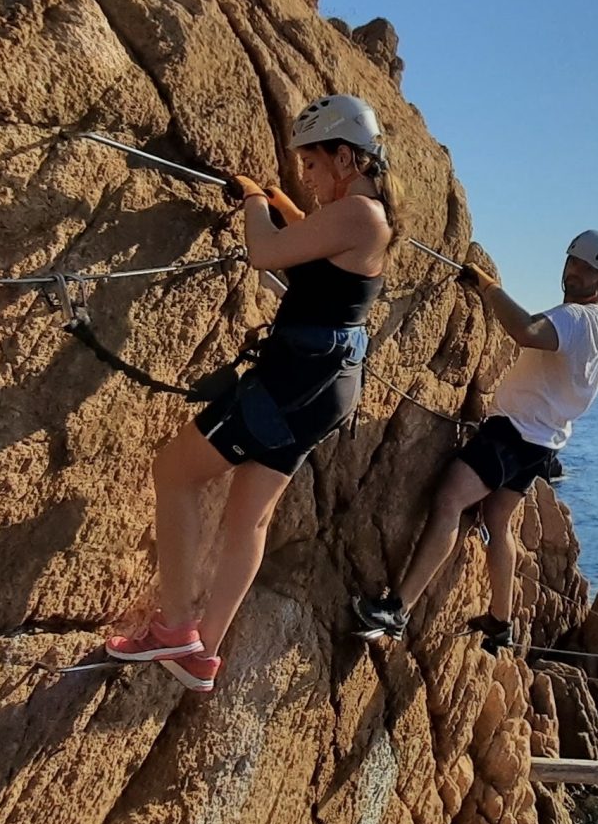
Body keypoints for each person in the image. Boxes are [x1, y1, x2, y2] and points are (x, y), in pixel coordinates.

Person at [105, 95, 396, 693]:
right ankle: (202, 653)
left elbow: (265, 252)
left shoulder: (360, 214)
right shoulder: (362, 214)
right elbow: (307, 239)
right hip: (323, 387)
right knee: (249, 519)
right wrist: (278, 200)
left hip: (292, 384)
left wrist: (255, 201)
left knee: (175, 474)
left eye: (312, 164)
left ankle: (174, 629)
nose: (307, 177)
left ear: (345, 158)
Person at [350, 230, 598, 652]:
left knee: (449, 500)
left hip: (514, 432)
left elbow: (527, 331)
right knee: (496, 519)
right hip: (543, 441)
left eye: (587, 269)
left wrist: (488, 288)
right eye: (574, 262)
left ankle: (398, 609)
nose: (576, 272)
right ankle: (501, 620)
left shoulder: (574, 318)